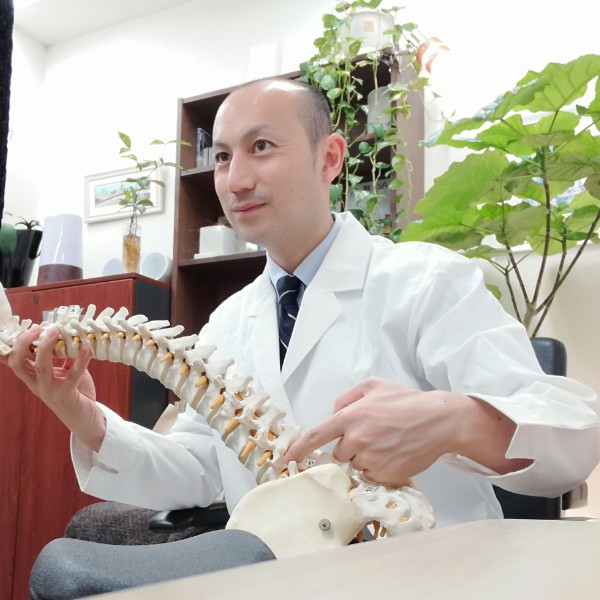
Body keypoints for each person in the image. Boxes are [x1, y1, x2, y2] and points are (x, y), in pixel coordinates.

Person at [5, 78, 600, 592]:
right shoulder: (228, 320)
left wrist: (457, 420)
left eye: (261, 146)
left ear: (329, 158)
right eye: (221, 157)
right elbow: (199, 468)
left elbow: (574, 439)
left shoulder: (428, 281)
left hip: (434, 578)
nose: (236, 179)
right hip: (275, 581)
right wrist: (85, 417)